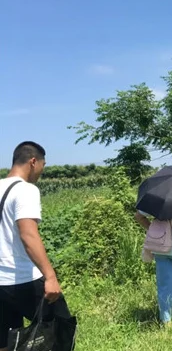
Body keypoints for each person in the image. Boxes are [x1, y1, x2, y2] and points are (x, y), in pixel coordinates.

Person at [0, 142, 72, 351]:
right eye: (43, 164)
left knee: (5, 341)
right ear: (33, 162)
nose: (42, 170)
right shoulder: (26, 190)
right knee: (60, 332)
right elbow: (28, 234)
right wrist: (50, 277)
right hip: (24, 279)